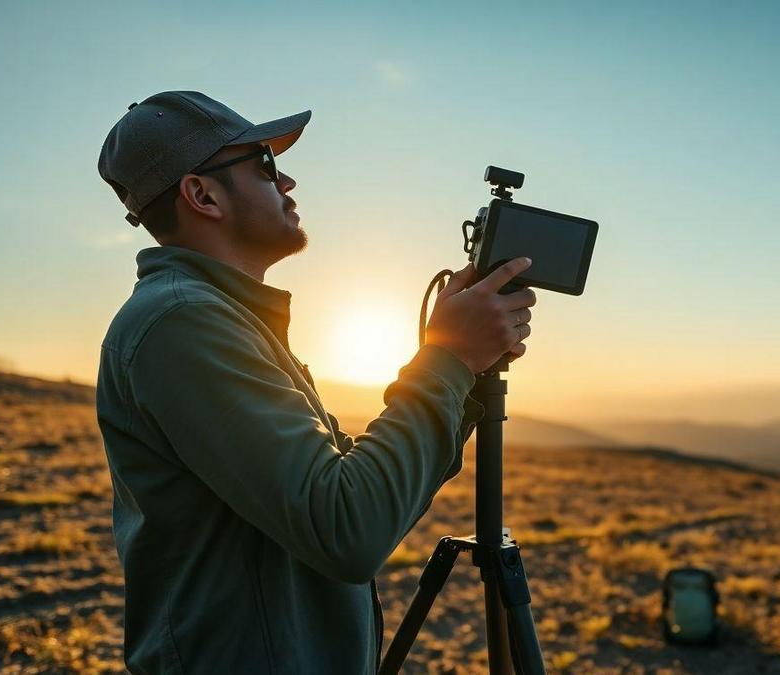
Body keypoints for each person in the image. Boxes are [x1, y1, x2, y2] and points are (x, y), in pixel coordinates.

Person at [95, 91, 536, 673]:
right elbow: (347, 528)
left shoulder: (226, 319)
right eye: (264, 165)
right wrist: (448, 359)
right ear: (201, 195)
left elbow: (355, 492)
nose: (288, 183)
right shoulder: (184, 324)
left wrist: (465, 374)